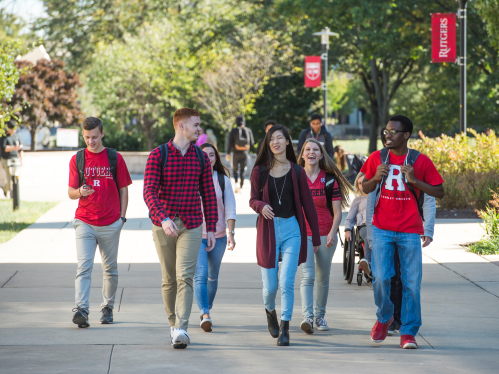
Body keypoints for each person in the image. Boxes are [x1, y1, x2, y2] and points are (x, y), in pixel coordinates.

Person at [361, 115, 444, 349]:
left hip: (409, 230)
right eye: (386, 131)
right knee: (380, 278)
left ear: (406, 135)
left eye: (393, 132)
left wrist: (415, 180)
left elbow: (439, 192)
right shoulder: (377, 158)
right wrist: (376, 177)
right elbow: (365, 187)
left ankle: (408, 332)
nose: (388, 135)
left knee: (411, 283)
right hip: (382, 229)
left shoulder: (420, 160)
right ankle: (385, 316)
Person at [143, 107, 218, 349]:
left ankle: (182, 328)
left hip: (192, 224)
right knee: (169, 279)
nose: (200, 129)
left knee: (185, 276)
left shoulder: (201, 157)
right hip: (162, 223)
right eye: (196, 125)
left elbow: (208, 195)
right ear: (181, 126)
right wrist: (163, 218)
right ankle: (173, 324)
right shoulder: (158, 155)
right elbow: (149, 192)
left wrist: (212, 228)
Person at [250, 125, 321, 347]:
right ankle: (270, 310)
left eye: (280, 138)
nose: (276, 142)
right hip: (268, 230)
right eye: (272, 139)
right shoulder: (259, 171)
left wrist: (316, 237)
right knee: (270, 286)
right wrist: (261, 205)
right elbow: (252, 199)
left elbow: (308, 205)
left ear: (288, 142)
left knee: (286, 282)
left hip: (292, 229)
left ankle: (285, 327)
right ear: (268, 143)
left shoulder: (297, 171)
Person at [68, 117, 132, 328]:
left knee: (110, 268)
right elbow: (70, 192)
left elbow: (124, 189)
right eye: (86, 137)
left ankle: (107, 307)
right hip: (84, 220)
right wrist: (80, 192)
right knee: (84, 267)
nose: (91, 141)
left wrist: (122, 218)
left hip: (111, 222)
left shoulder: (115, 158)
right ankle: (81, 309)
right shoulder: (78, 159)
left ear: (102, 134)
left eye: (94, 137)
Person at [297, 138, 352, 334]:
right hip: (303, 235)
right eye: (307, 149)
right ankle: (307, 317)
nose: (311, 152)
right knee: (307, 276)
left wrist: (331, 233)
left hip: (326, 234)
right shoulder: (295, 177)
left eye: (315, 150)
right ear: (302, 154)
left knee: (322, 277)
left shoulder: (329, 179)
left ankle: (319, 316)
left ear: (321, 155)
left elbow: (338, 212)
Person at [195, 143, 236, 332]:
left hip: (218, 236)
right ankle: (205, 313)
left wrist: (231, 233)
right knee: (200, 275)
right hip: (195, 234)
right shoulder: (191, 179)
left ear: (216, 158)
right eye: (205, 155)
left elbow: (230, 209)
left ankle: (207, 307)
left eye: (212, 155)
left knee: (212, 277)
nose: (208, 158)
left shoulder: (222, 180)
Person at [344, 172, 370, 278]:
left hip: (379, 226)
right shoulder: (357, 200)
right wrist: (347, 229)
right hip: (364, 227)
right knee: (370, 236)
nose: (362, 185)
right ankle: (368, 262)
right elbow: (349, 218)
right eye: (359, 183)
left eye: (364, 182)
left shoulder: (379, 196)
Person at [226, 115, 255, 192]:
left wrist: (228, 153)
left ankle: (236, 183)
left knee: (235, 169)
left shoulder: (233, 130)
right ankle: (241, 185)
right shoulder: (248, 130)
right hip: (245, 153)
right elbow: (252, 143)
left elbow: (229, 143)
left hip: (235, 153)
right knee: (242, 170)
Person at [1, 120, 24, 199]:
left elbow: (21, 149)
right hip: (6, 159)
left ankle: (12, 190)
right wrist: (14, 148)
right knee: (9, 176)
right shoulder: (4, 137)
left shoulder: (17, 136)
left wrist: (22, 159)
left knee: (16, 176)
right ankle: (11, 194)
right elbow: (4, 148)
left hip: (16, 159)